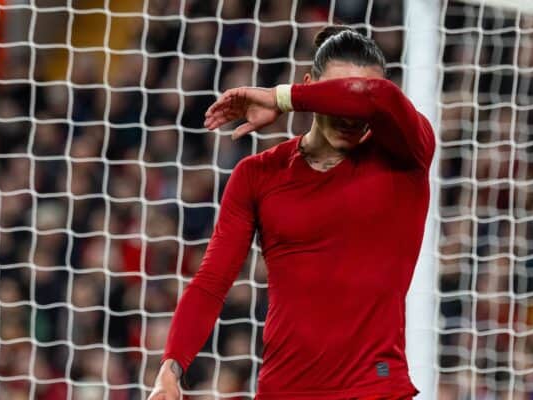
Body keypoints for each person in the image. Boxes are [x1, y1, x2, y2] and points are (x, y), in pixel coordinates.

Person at [148, 25, 435, 400]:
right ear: (309, 85)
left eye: (353, 100)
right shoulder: (258, 174)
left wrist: (281, 98)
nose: (351, 115)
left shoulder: (406, 154)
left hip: (373, 388)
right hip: (281, 389)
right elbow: (211, 282)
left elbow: (374, 95)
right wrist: (170, 369)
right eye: (335, 93)